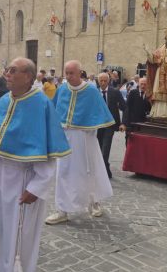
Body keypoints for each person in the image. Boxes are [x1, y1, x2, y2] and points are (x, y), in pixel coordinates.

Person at [0, 57, 70, 272]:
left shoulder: (41, 104)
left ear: (28, 76)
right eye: (7, 70)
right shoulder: (6, 100)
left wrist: (37, 187)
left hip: (24, 180)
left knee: (20, 238)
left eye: (13, 71)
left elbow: (47, 151)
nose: (7, 74)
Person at [45, 60, 115, 225]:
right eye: (66, 73)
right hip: (65, 137)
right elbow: (54, 111)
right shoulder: (62, 89)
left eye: (72, 73)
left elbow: (99, 114)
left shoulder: (90, 90)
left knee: (89, 170)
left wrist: (89, 128)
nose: (68, 77)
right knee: (62, 172)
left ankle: (94, 201)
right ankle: (62, 209)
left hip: (85, 138)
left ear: (80, 73)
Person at [95, 73, 127, 179]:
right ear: (98, 81)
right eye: (101, 81)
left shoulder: (115, 92)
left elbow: (124, 107)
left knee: (105, 149)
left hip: (110, 125)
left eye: (105, 81)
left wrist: (123, 123)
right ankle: (106, 169)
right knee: (98, 148)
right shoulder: (94, 92)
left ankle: (102, 174)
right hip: (97, 125)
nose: (103, 83)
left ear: (108, 81)